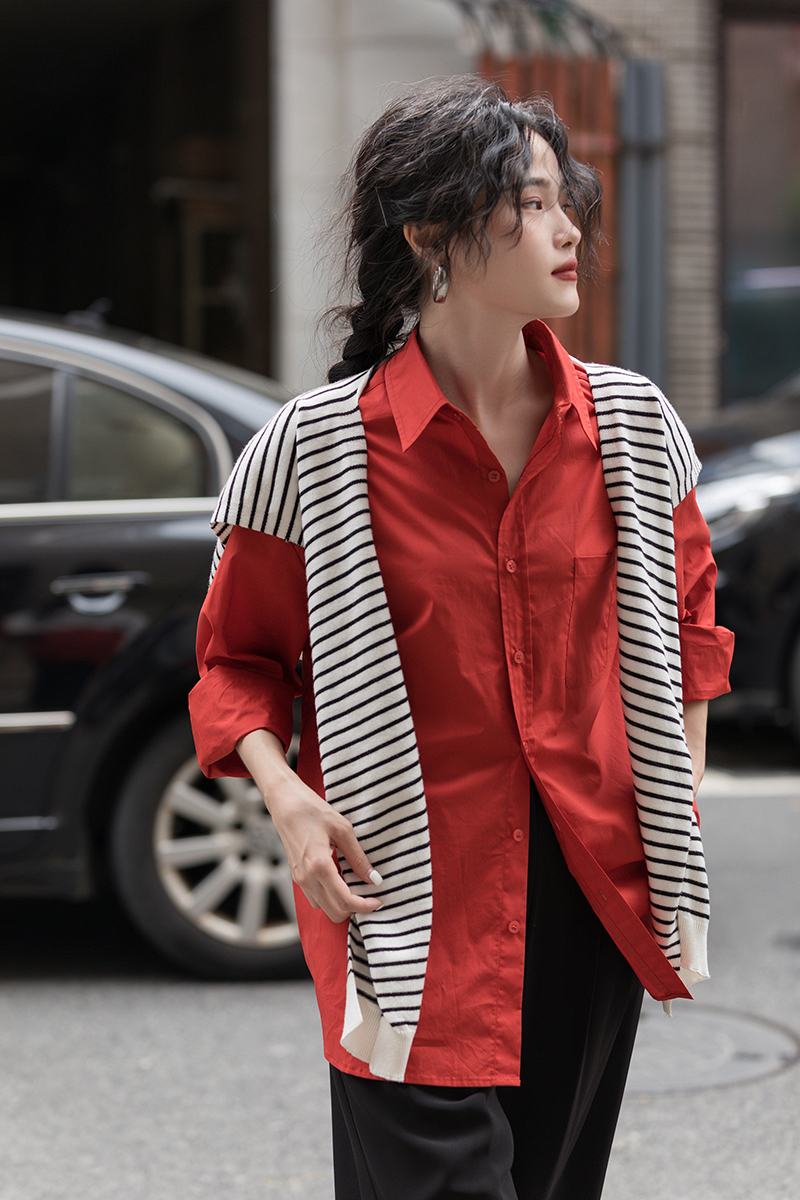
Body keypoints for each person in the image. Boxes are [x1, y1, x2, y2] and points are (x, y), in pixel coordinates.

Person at [189, 76, 734, 1200]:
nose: (568, 229)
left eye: (564, 200)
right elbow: (237, 661)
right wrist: (287, 802)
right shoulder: (313, 453)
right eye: (530, 204)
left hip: (589, 890)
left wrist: (676, 786)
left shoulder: (634, 430)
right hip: (398, 897)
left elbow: (689, 630)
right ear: (430, 236)